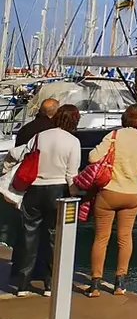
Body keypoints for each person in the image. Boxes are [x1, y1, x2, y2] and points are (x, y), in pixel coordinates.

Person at [9, 104, 81, 297]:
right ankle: (49, 284)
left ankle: (23, 284)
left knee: (29, 236)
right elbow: (71, 175)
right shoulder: (73, 141)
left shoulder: (39, 137)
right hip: (58, 190)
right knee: (53, 237)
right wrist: (75, 195)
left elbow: (21, 155)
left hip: (34, 189)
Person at [87, 104, 137, 296]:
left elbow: (93, 157)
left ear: (124, 118)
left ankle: (95, 284)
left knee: (101, 238)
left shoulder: (114, 136)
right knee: (125, 238)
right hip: (131, 194)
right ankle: (119, 283)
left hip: (109, 192)